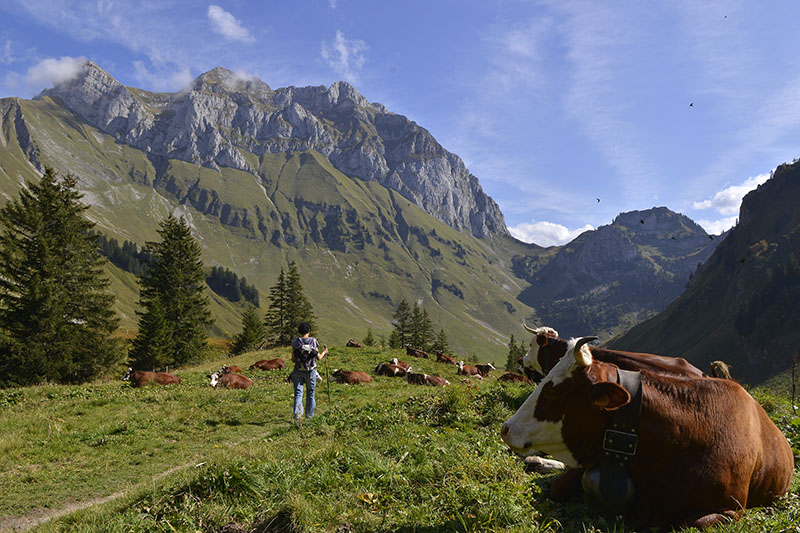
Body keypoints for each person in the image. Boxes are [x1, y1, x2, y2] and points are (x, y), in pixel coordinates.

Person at [290, 321, 328, 420]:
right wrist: (324, 352)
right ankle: (309, 416)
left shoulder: (295, 342)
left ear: (299, 331)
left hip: (298, 370)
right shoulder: (313, 341)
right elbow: (319, 358)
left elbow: (293, 359)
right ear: (309, 331)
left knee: (298, 393)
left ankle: (297, 416)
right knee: (310, 394)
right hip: (311, 371)